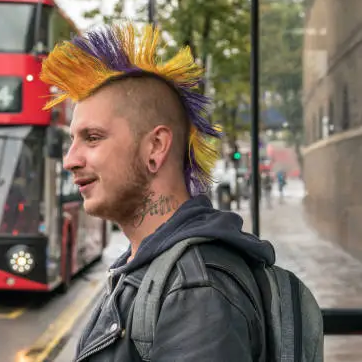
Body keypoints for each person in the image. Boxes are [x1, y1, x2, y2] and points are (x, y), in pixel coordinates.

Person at [39, 22, 276, 361]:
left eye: (92, 138)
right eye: (72, 140)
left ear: (156, 147)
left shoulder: (195, 291)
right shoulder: (148, 268)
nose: (70, 160)